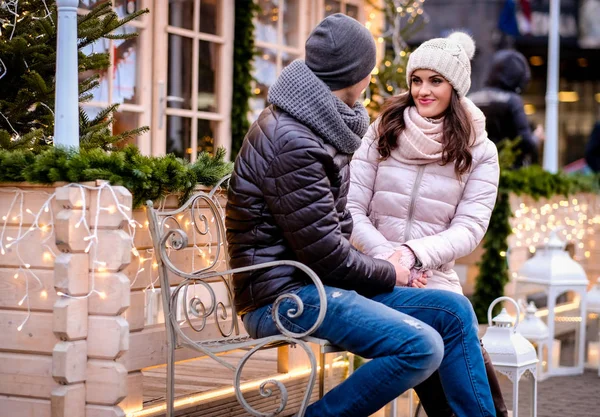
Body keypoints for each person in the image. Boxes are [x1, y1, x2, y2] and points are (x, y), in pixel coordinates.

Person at [226, 14, 495, 417]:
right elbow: (327, 251)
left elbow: (336, 230)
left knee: (454, 312)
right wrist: (391, 268)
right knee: (420, 346)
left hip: (321, 282)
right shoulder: (295, 140)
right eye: (369, 71)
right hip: (286, 295)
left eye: (434, 81)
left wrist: (403, 258)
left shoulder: (315, 127)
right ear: (351, 74)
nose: (372, 80)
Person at [347, 32, 507, 416]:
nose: (423, 90)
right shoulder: (381, 130)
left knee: (450, 328)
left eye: (435, 81)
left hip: (432, 277)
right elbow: (350, 209)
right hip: (372, 273)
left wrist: (413, 254)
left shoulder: (479, 150)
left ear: (455, 87)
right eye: (416, 80)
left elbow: (469, 228)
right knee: (449, 323)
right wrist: (391, 259)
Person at [469, 49, 542, 167]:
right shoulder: (512, 101)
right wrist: (537, 137)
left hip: (475, 166)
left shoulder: (472, 99)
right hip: (508, 169)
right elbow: (526, 142)